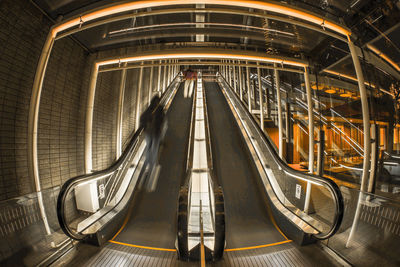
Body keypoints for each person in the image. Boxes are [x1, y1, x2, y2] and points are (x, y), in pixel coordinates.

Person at [138, 95, 167, 191]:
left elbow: (142, 119)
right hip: (156, 134)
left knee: (148, 152)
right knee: (153, 154)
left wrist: (145, 128)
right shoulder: (160, 110)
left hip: (149, 134)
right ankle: (149, 183)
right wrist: (162, 137)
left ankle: (141, 180)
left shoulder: (149, 109)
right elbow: (163, 124)